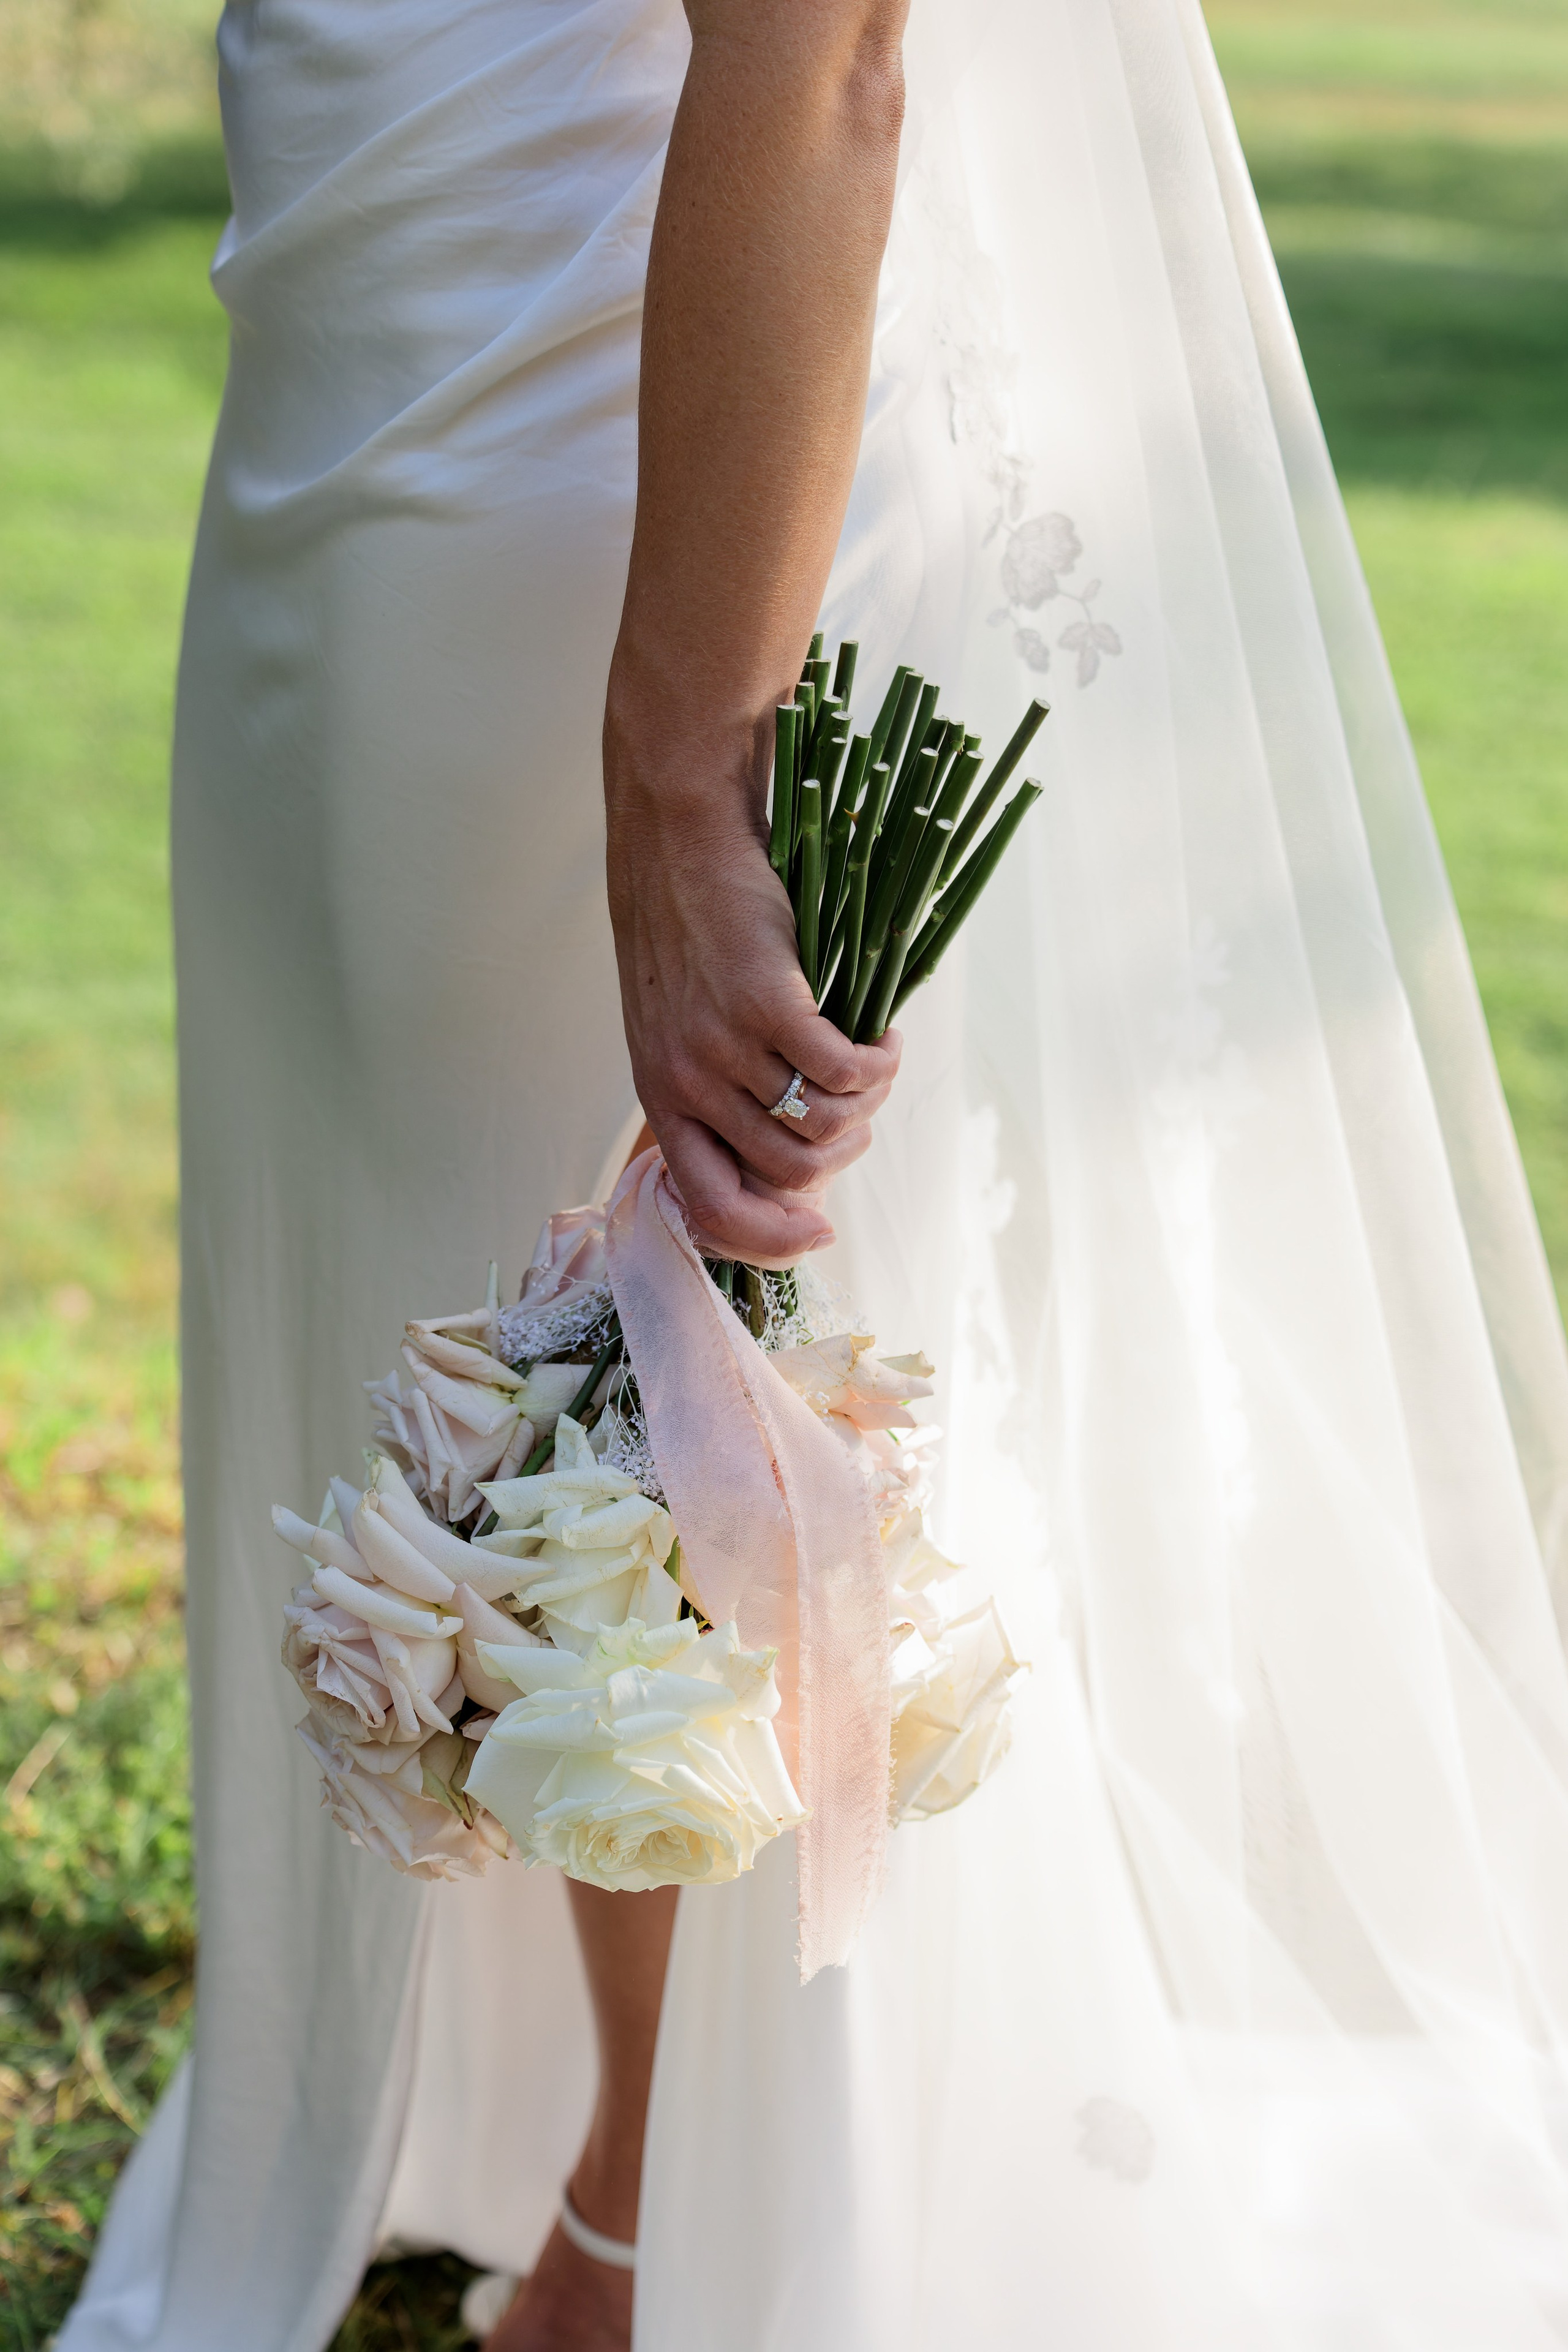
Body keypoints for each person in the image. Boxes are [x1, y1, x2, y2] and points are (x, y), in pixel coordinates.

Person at [61, 0, 1568, 2345]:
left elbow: (828, 46)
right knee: (510, 1327)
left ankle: (683, 2220)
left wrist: (682, 773)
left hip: (598, 422)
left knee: (658, 1353)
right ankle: (607, 2153)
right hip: (356, 355)